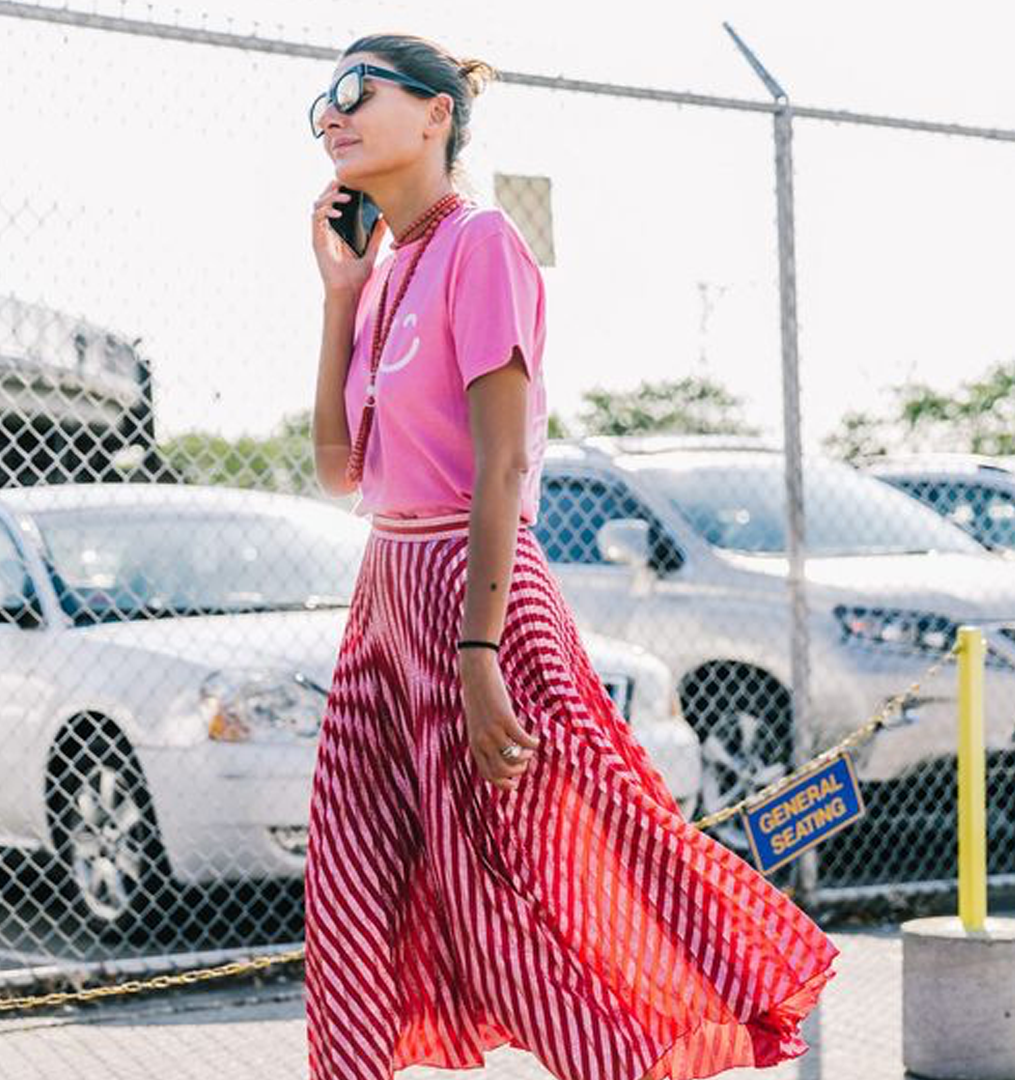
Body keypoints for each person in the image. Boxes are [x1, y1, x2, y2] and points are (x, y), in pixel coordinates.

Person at [304, 31, 838, 1080]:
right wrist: (336, 299)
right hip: (385, 591)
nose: (331, 112)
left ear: (436, 115)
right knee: (349, 880)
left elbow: (502, 466)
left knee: (533, 890)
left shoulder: (483, 244)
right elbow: (339, 471)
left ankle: (664, 1033)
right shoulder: (383, 271)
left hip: (476, 589)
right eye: (320, 101)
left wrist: (479, 652)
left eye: (356, 91)